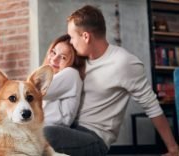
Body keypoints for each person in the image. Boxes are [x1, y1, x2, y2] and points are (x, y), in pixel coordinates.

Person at [43, 5, 179, 156]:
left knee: (46, 133)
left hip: (94, 138)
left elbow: (152, 107)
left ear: (86, 37)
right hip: (68, 129)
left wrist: (173, 148)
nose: (71, 42)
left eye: (72, 37)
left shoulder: (124, 63)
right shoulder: (79, 61)